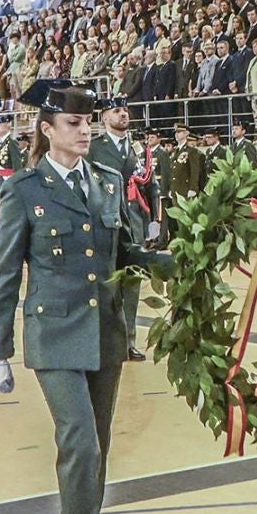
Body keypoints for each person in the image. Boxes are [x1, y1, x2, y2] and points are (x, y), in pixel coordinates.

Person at [0, 80, 172, 514]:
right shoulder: (25, 190)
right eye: (73, 122)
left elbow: (123, 252)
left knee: (97, 455)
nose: (85, 129)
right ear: (47, 129)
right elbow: (6, 274)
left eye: (88, 121)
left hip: (105, 336)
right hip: (54, 336)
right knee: (82, 446)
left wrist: (179, 259)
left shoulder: (109, 181)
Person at [86, 97, 146, 357]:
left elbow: (150, 184)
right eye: (116, 111)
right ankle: (105, 341)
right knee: (106, 286)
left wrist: (155, 220)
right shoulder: (94, 148)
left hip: (134, 222)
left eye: (125, 110)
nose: (123, 114)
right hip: (106, 223)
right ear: (104, 118)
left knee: (131, 285)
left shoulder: (138, 147)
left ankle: (128, 342)